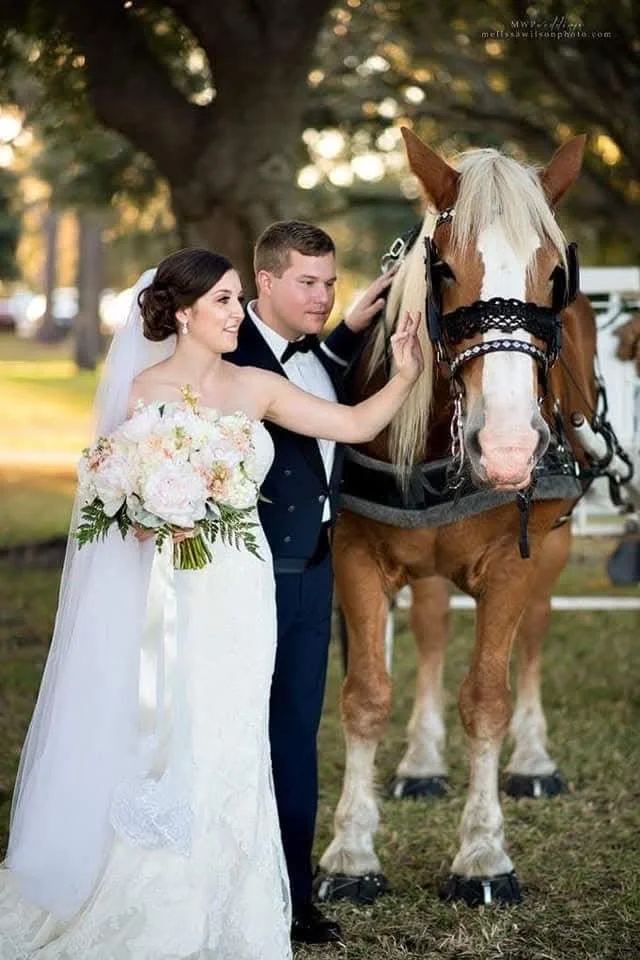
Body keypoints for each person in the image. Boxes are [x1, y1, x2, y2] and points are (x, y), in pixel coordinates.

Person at [0, 247, 422, 960]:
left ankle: (232, 893)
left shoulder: (256, 386)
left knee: (236, 732)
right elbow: (116, 508)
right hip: (176, 594)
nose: (235, 314)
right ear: (184, 313)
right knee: (177, 728)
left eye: (236, 299)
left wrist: (407, 373)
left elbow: (349, 426)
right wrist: (152, 510)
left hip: (245, 589)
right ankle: (158, 889)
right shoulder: (141, 394)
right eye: (223, 301)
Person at [228, 220, 395, 944]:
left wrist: (355, 326)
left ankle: (295, 896)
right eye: (307, 282)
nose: (323, 296)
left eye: (329, 283)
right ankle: (236, 887)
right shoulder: (226, 358)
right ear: (264, 281)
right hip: (244, 583)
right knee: (237, 738)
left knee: (296, 738)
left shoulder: (319, 355)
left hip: (314, 579)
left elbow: (320, 365)